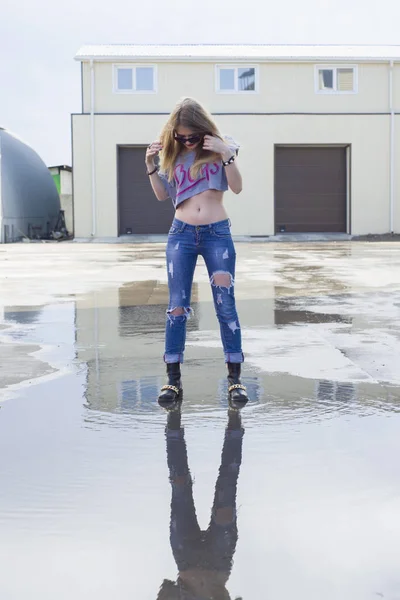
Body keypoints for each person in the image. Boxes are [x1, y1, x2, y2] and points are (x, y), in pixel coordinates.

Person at [145, 97, 248, 403]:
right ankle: (172, 381)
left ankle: (234, 380)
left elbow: (238, 187)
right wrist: (150, 164)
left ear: (203, 131)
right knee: (177, 308)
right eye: (180, 136)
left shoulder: (221, 148)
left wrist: (227, 155)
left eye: (192, 136)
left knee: (225, 306)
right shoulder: (172, 156)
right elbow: (163, 196)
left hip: (217, 234)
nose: (187, 142)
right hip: (181, 235)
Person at [157, 402, 244, 600]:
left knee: (179, 485)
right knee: (228, 486)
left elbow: (165, 590)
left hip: (185, 558)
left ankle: (173, 417)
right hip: (219, 561)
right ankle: (235, 416)